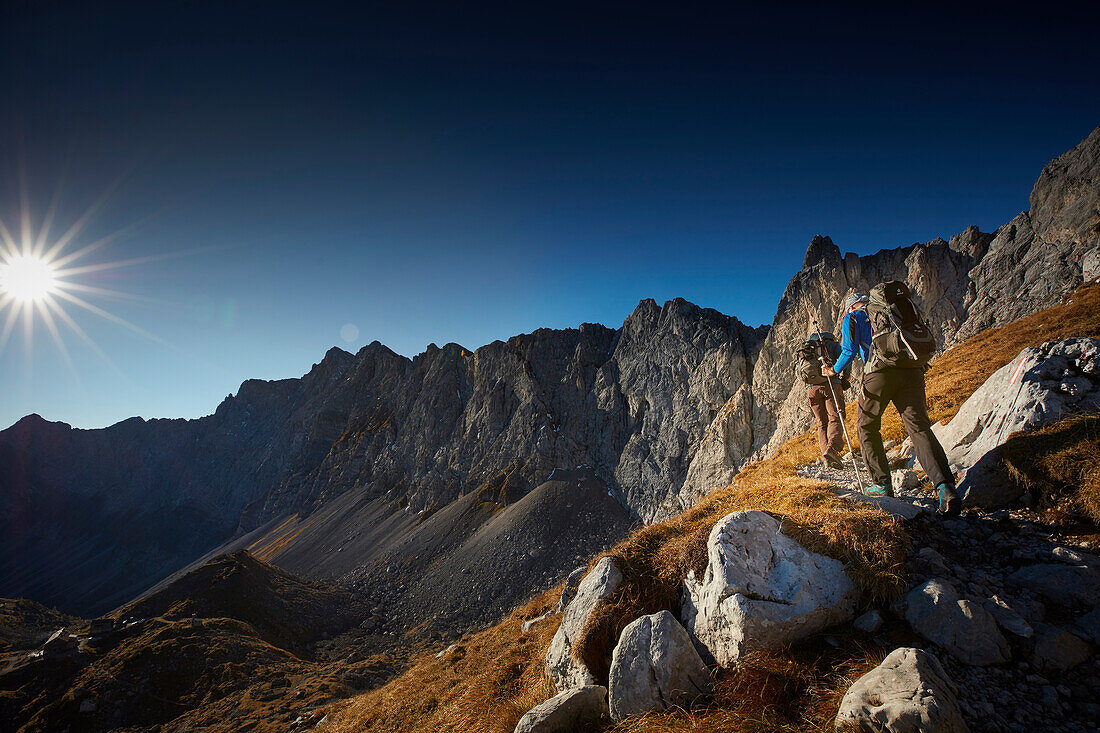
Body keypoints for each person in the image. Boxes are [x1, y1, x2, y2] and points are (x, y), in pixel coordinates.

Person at [825, 290, 960, 515]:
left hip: (880, 374)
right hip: (912, 371)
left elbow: (848, 351)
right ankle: (945, 488)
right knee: (919, 428)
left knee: (866, 427)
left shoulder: (854, 317)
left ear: (851, 307)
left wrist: (833, 370)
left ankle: (881, 485)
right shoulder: (893, 311)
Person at [799, 331, 847, 470]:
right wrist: (846, 377)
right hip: (830, 384)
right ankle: (832, 451)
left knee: (821, 423)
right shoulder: (832, 345)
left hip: (812, 389)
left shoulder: (807, 349)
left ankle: (826, 456)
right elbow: (845, 359)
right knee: (835, 417)